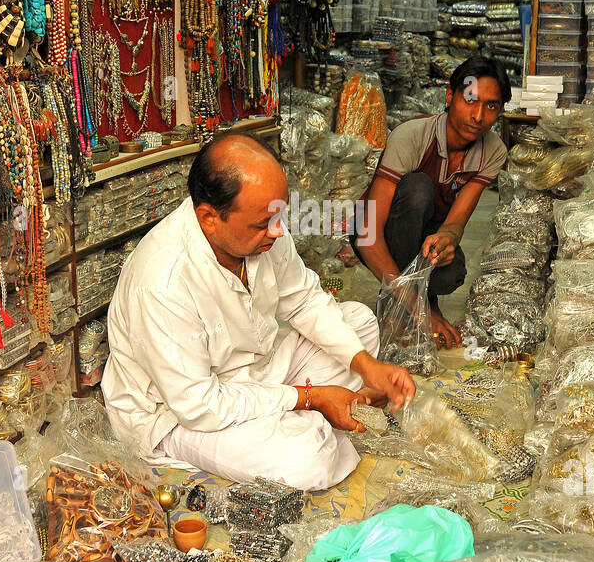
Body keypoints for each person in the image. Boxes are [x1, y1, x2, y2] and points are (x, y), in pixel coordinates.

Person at [101, 134, 416, 492]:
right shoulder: (162, 280)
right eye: (263, 223)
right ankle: (305, 421)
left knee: (358, 321)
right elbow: (199, 404)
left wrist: (365, 365)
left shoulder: (266, 230)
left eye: (280, 215)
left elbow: (305, 300)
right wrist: (310, 397)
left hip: (258, 373)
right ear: (209, 218)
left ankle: (297, 419)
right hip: (180, 415)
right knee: (308, 461)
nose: (279, 231)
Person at [352, 54, 510, 349]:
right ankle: (403, 303)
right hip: (374, 230)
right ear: (450, 96)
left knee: (451, 272)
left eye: (491, 106)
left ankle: (409, 298)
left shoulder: (494, 151)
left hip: (425, 231)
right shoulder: (411, 136)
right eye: (471, 100)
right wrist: (420, 308)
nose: (479, 117)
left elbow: (455, 223)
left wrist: (448, 239)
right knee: (418, 188)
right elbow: (367, 235)